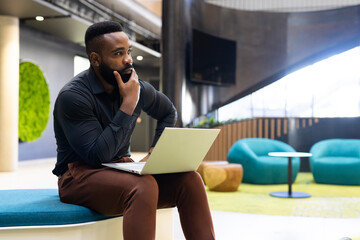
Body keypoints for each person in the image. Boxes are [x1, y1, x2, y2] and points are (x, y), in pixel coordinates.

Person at [52, 21, 215, 240]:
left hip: (120, 169)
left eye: (128, 51)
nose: (128, 59)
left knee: (190, 180)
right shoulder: (73, 97)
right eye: (118, 53)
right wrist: (128, 105)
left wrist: (154, 154)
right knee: (142, 186)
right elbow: (97, 155)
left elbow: (168, 112)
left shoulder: (136, 86)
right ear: (96, 59)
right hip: (78, 176)